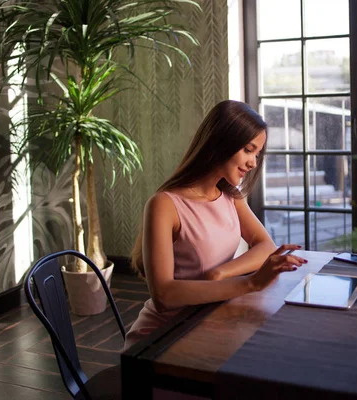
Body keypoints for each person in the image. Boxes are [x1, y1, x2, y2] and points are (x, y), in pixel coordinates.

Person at [124, 100, 307, 351]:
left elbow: (266, 246)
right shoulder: (164, 205)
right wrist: (250, 283)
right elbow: (164, 296)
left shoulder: (230, 196)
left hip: (208, 318)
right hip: (164, 337)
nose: (253, 162)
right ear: (221, 142)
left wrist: (220, 274)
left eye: (257, 153)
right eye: (248, 149)